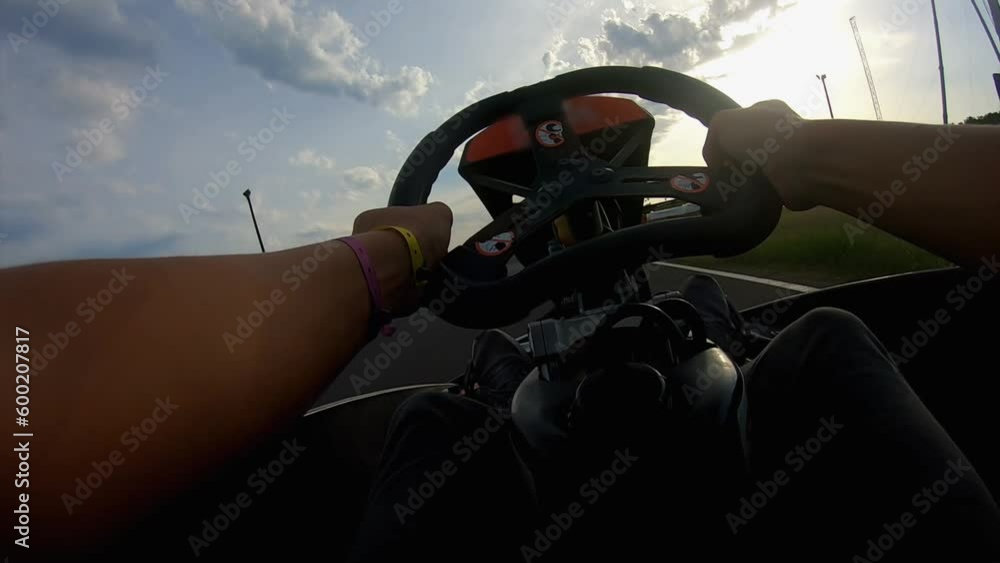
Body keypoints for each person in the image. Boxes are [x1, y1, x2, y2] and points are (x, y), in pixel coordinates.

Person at [2, 101, 999, 560]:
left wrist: (387, 256)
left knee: (444, 421)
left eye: (600, 169)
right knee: (823, 337)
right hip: (732, 395)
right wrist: (798, 157)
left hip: (508, 415)